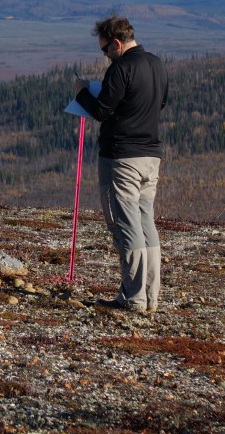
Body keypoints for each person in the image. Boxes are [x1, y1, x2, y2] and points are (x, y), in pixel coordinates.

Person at [72, 16, 168, 312]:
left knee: (126, 224)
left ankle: (132, 297)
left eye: (105, 50)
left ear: (116, 43)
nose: (105, 56)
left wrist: (81, 92)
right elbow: (161, 103)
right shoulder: (156, 64)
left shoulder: (121, 68)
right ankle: (150, 295)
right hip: (150, 155)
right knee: (145, 222)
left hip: (121, 157)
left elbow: (102, 110)